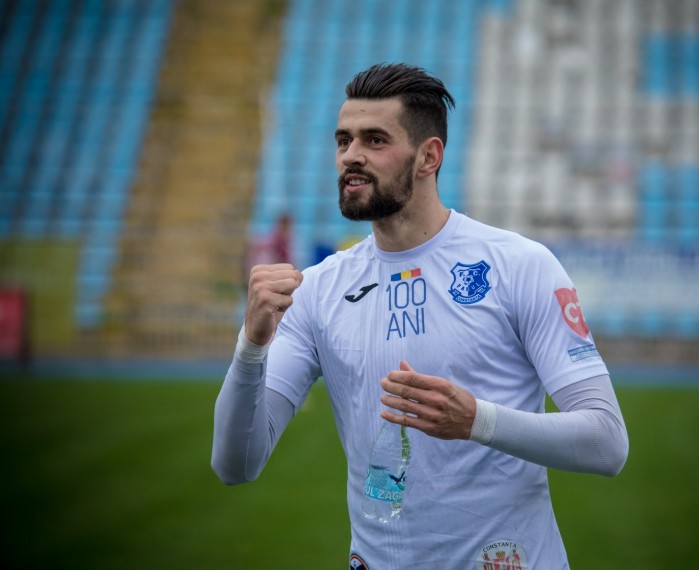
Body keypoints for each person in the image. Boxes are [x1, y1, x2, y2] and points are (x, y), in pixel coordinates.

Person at [212, 63, 629, 568]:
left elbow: (607, 442)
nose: (351, 156)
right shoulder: (318, 290)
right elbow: (235, 464)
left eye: (375, 140)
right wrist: (251, 346)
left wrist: (478, 421)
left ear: (429, 156)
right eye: (343, 140)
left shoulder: (519, 265)